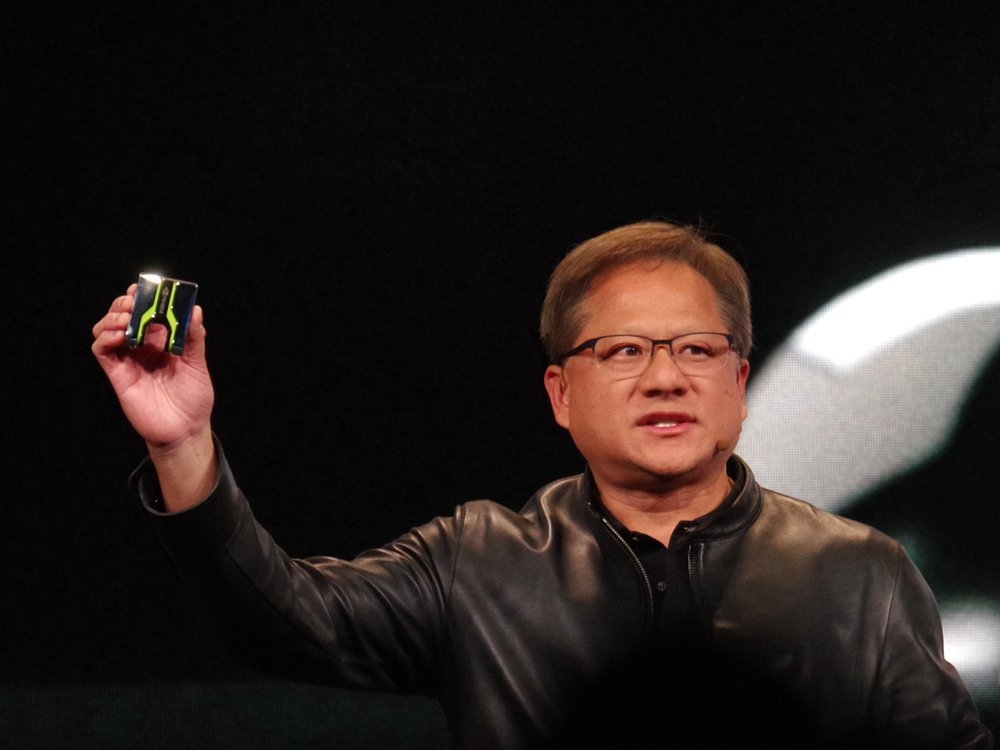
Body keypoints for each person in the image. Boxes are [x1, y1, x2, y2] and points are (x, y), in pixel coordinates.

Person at [92, 221, 992, 749]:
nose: (666, 378)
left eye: (696, 350)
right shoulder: (479, 559)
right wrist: (186, 444)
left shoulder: (859, 572)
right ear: (560, 393)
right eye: (624, 351)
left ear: (739, 383)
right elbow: (280, 619)